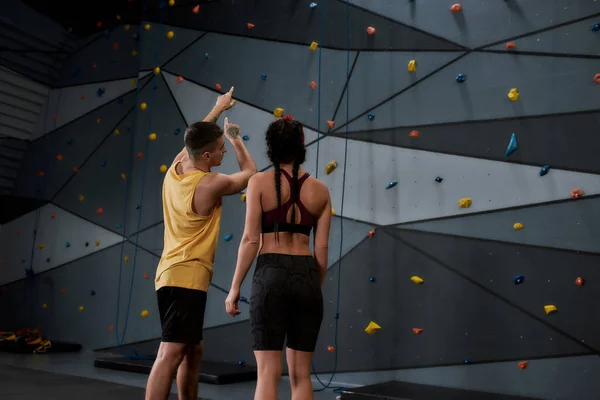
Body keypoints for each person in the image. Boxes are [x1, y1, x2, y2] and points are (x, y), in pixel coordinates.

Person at [146, 87, 258, 400]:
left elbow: (193, 139)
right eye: (220, 148)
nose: (224, 152)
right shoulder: (211, 183)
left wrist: (218, 108)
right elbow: (250, 174)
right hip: (187, 277)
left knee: (193, 350)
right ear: (206, 156)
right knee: (170, 353)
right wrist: (235, 137)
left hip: (169, 274)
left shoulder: (176, 167)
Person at [225, 115, 332, 400]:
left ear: (271, 147)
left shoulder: (259, 182)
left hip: (270, 275)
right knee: (300, 376)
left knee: (268, 374)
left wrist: (235, 286)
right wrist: (312, 287)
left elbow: (250, 240)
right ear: (301, 145)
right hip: (307, 275)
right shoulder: (321, 190)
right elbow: (321, 252)